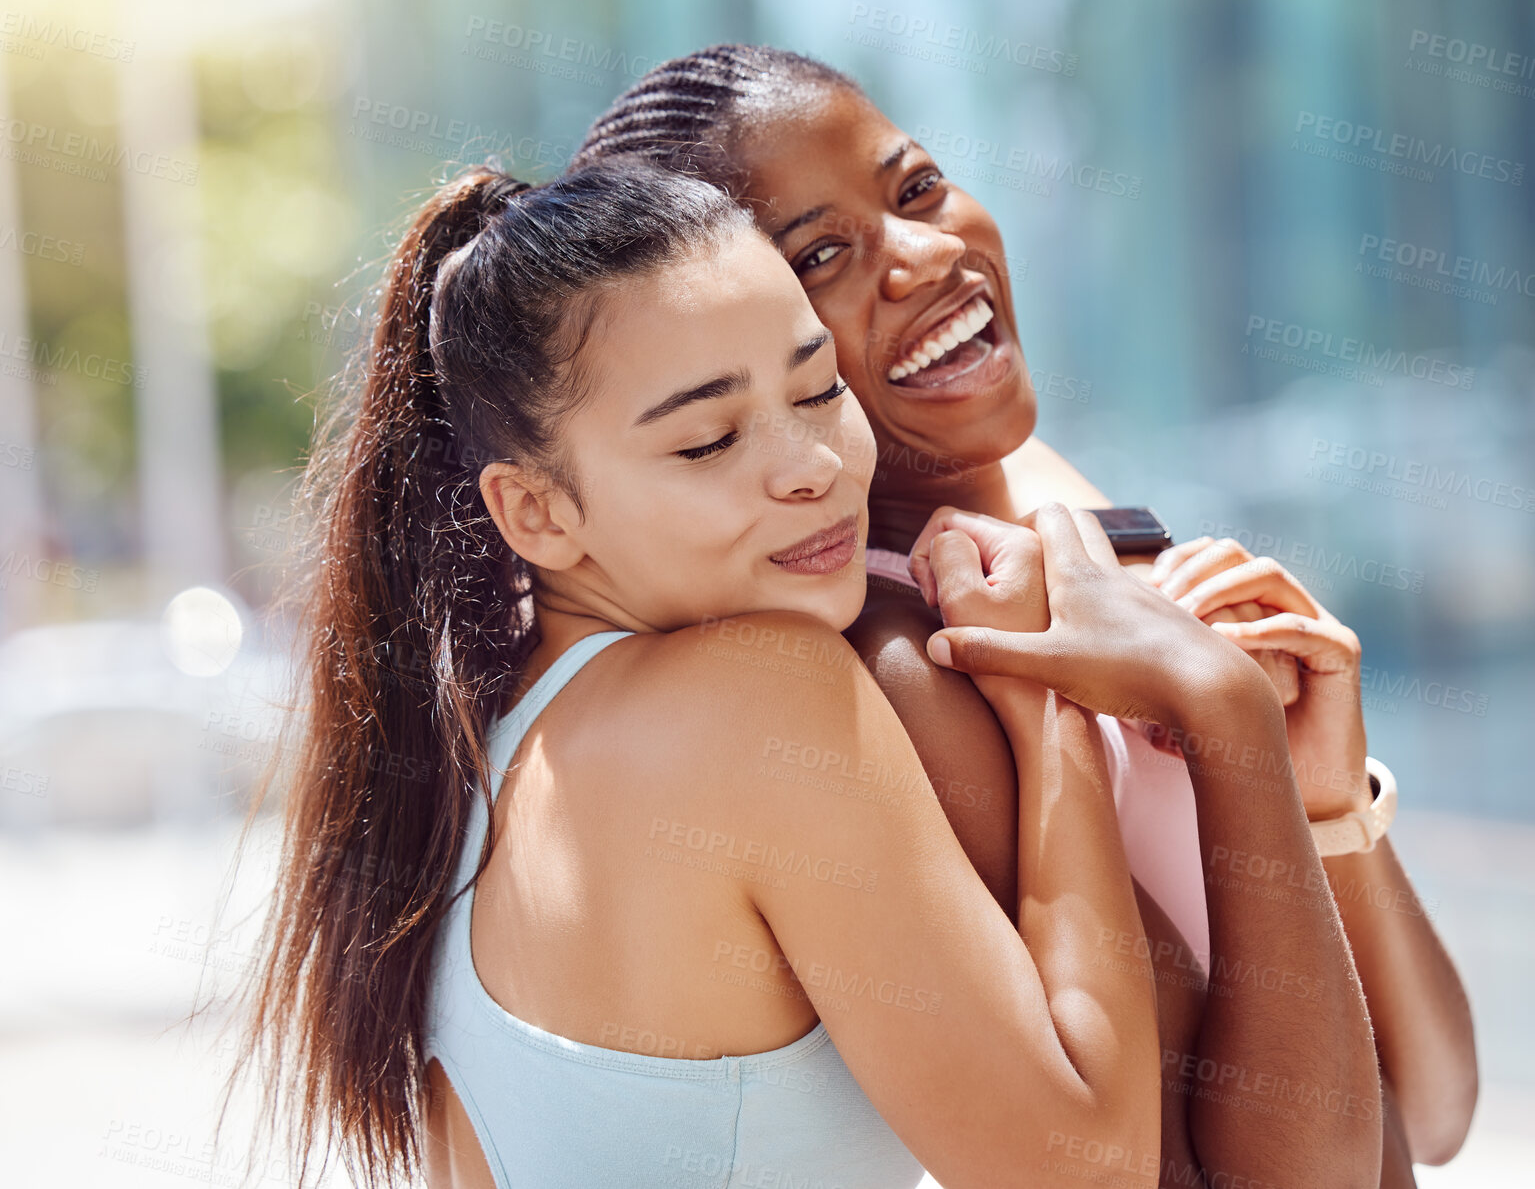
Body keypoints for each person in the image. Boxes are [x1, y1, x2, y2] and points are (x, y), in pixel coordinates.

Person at [228, 158, 1374, 1189]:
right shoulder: (754, 697)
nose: (810, 467)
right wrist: (1041, 695)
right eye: (706, 441)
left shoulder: (486, 753)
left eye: (818, 389)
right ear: (536, 511)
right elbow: (1085, 1169)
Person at [573, 44, 1477, 1184]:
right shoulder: (921, 666)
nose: (926, 253)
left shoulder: (1058, 508)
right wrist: (1221, 711)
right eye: (822, 256)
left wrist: (1331, 805)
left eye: (915, 188)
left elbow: (1437, 1107)